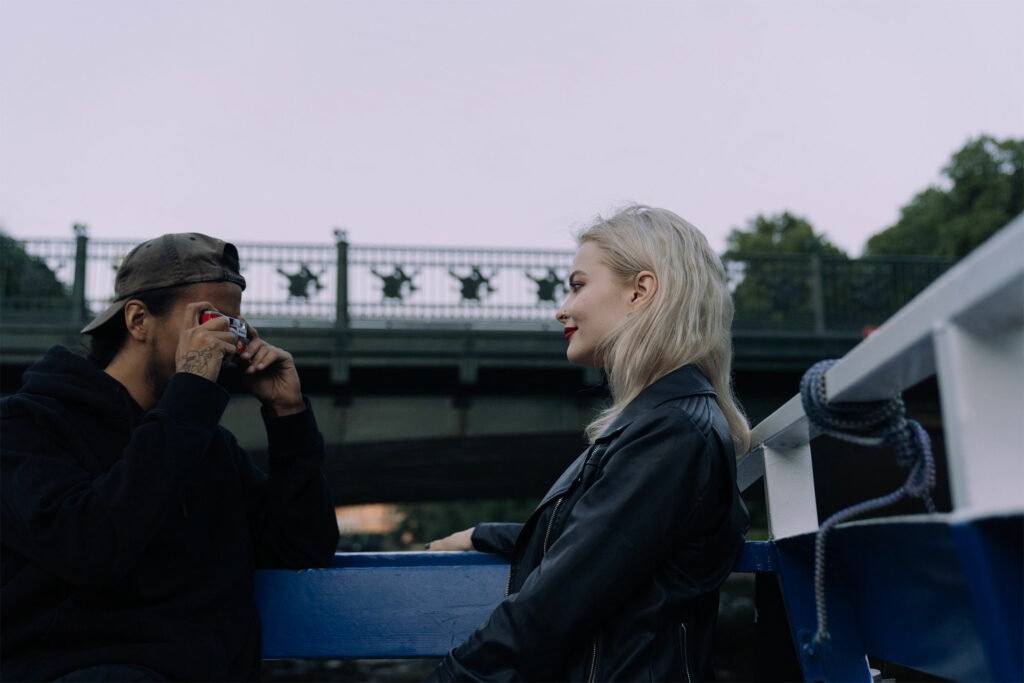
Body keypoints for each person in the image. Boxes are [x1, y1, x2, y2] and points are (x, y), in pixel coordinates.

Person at [427, 205, 751, 682]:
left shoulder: (671, 433)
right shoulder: (669, 423)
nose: (562, 308)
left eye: (577, 285)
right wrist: (486, 535)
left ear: (640, 291)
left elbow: (554, 604)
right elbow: (606, 542)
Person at [1, 233, 340, 681]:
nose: (223, 343)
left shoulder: (206, 443)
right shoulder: (26, 426)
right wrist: (192, 392)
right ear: (139, 320)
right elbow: (92, 548)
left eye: (232, 326)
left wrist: (288, 415)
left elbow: (302, 547)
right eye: (207, 321)